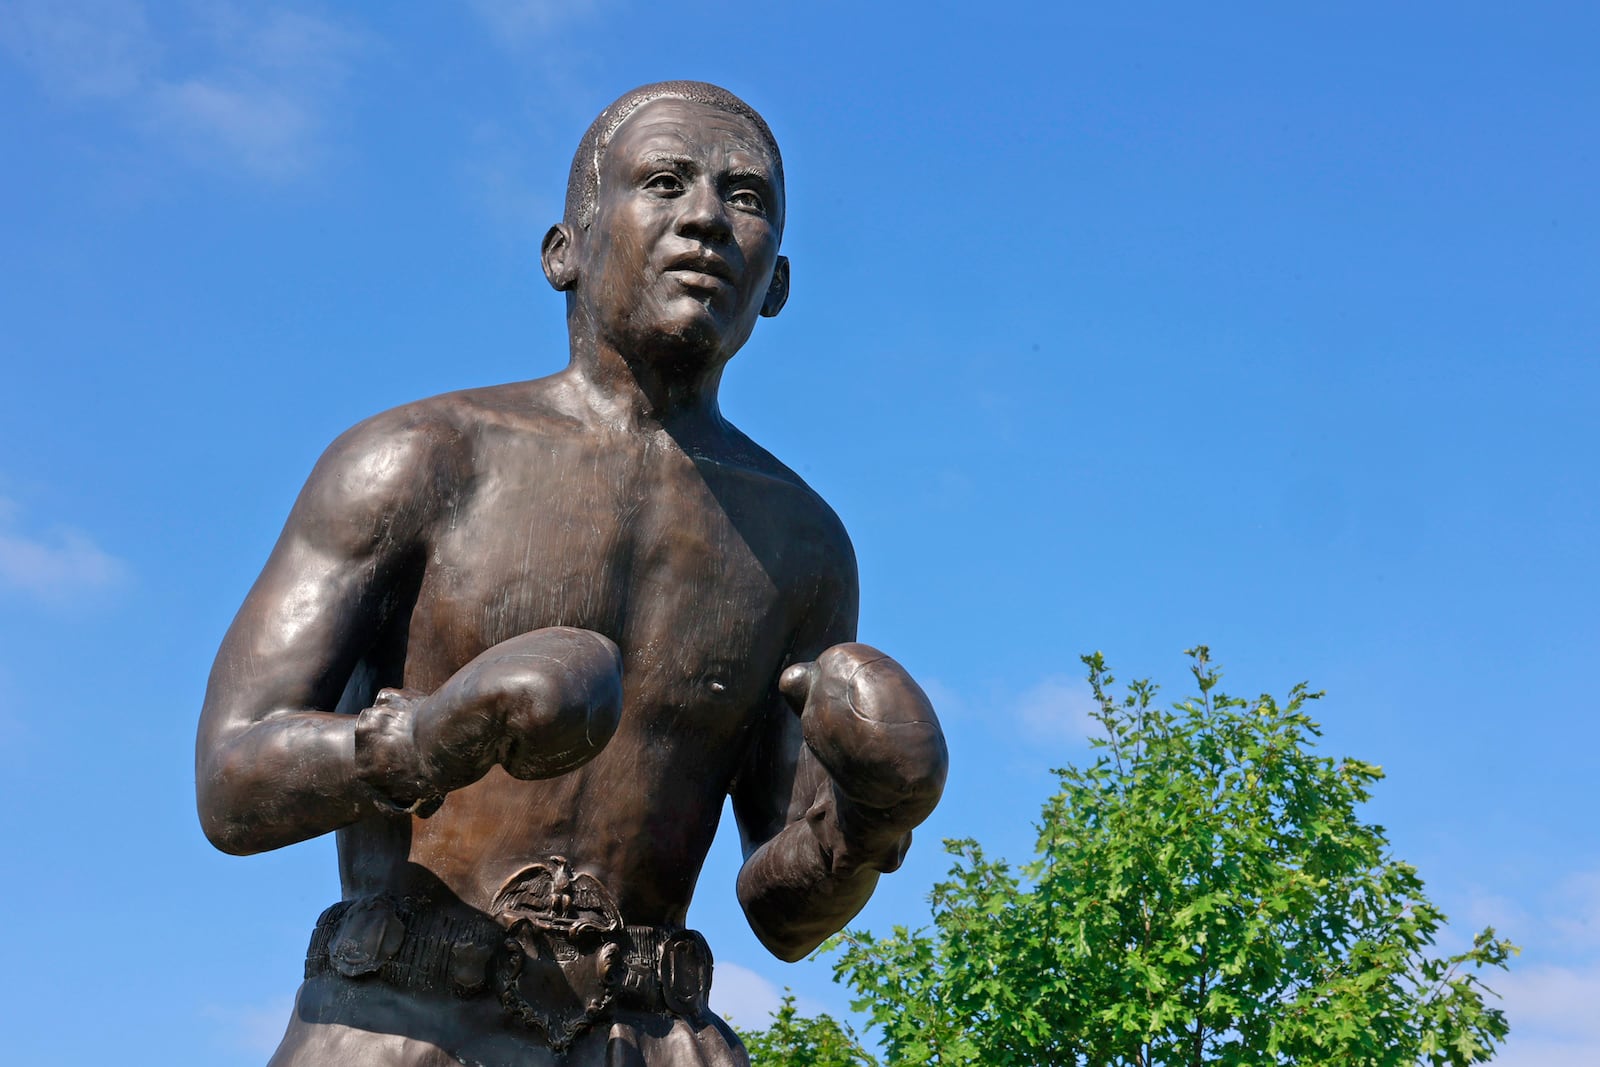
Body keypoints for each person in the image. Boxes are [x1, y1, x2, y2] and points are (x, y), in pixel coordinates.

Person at [196, 81, 947, 1067]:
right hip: (401, 1023)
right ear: (565, 250)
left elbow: (784, 912)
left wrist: (870, 820)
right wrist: (437, 733)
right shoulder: (417, 457)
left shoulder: (802, 542)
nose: (707, 219)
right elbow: (230, 781)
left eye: (746, 198)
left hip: (653, 1034)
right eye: (665, 182)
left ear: (777, 283)